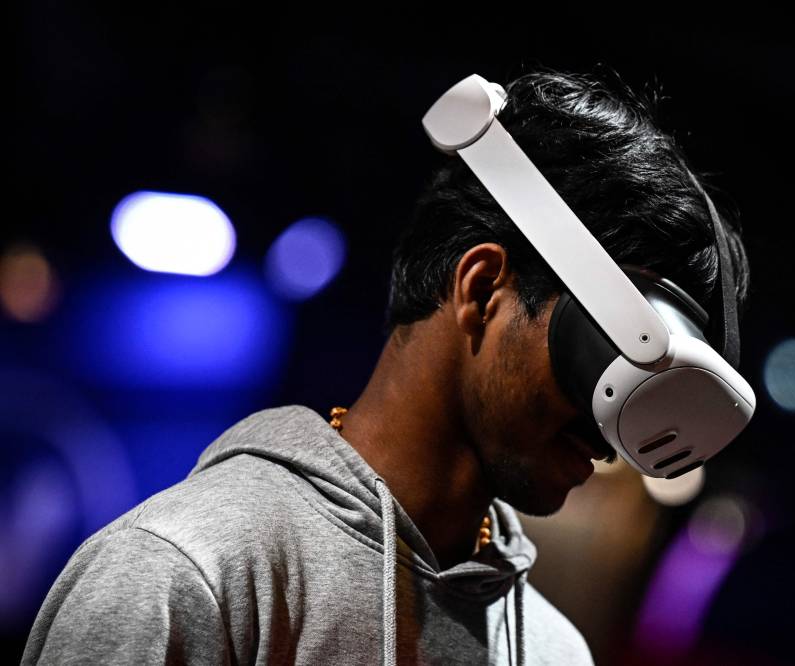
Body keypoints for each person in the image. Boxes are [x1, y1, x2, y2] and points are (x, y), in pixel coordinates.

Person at [22, 65, 749, 665]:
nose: (611, 428)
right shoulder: (184, 577)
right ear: (481, 290)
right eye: (611, 358)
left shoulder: (557, 654)